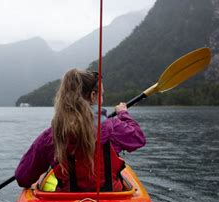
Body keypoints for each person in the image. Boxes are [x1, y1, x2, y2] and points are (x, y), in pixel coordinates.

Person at [15, 69, 146, 192]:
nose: (102, 99)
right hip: (113, 200)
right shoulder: (114, 127)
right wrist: (123, 114)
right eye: (101, 95)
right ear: (93, 96)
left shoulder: (52, 135)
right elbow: (138, 139)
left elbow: (23, 178)